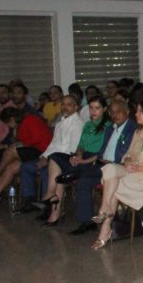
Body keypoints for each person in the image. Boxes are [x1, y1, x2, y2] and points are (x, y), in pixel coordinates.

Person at [90, 101, 143, 250]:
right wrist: (127, 161)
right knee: (109, 169)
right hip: (132, 170)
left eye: (140, 112)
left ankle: (105, 228)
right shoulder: (138, 132)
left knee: (114, 184)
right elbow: (128, 154)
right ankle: (105, 208)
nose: (136, 114)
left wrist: (141, 167)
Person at [68, 101, 137, 235]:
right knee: (83, 181)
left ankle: (72, 174)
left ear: (127, 112)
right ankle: (87, 222)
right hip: (102, 164)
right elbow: (101, 152)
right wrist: (94, 159)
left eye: (118, 111)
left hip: (117, 168)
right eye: (112, 112)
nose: (114, 115)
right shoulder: (110, 128)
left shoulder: (132, 129)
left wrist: (108, 161)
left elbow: (129, 154)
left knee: (82, 175)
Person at [40, 96, 110, 225]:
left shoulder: (108, 126)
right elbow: (80, 146)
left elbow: (103, 152)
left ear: (104, 109)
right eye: (91, 108)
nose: (93, 111)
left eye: (97, 108)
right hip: (83, 158)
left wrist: (82, 161)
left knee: (66, 176)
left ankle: (54, 208)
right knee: (55, 157)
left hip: (97, 161)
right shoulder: (88, 124)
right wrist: (77, 156)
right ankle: (51, 195)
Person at [0, 108, 52, 209]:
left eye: (8, 123)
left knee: (11, 150)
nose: (8, 126)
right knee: (11, 167)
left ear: (12, 119)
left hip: (43, 150)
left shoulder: (30, 119)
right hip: (32, 150)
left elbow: (36, 139)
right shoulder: (19, 126)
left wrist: (20, 143)